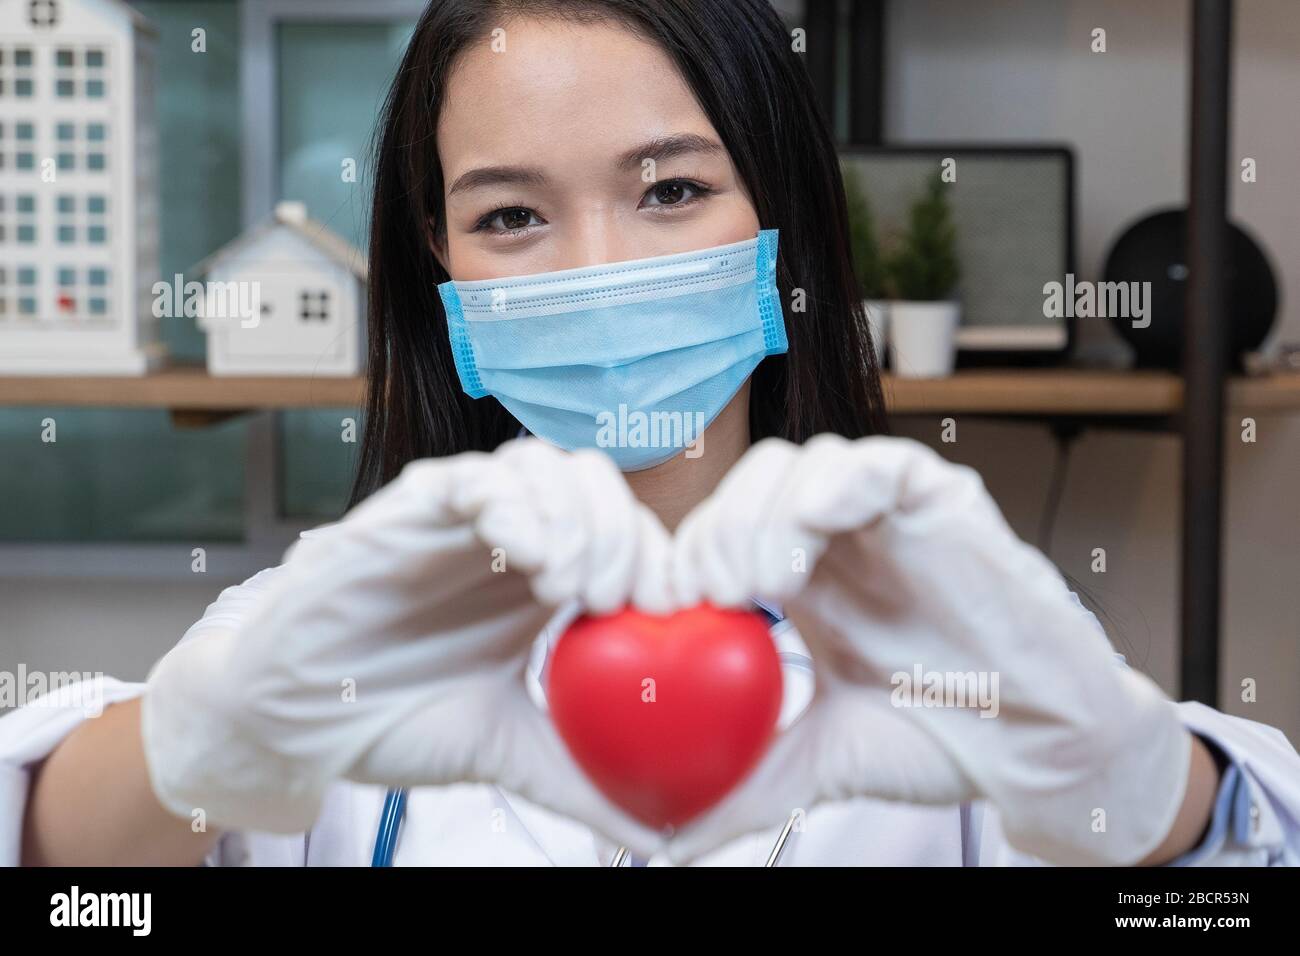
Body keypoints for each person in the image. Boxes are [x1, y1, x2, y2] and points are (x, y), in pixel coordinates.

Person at [8, 0, 1299, 867]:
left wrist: (1140, 787)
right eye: (513, 217)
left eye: (672, 190)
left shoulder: (948, 632)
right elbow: (54, 857)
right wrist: (204, 737)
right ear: (442, 270)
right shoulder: (342, 623)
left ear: (778, 226)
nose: (598, 266)